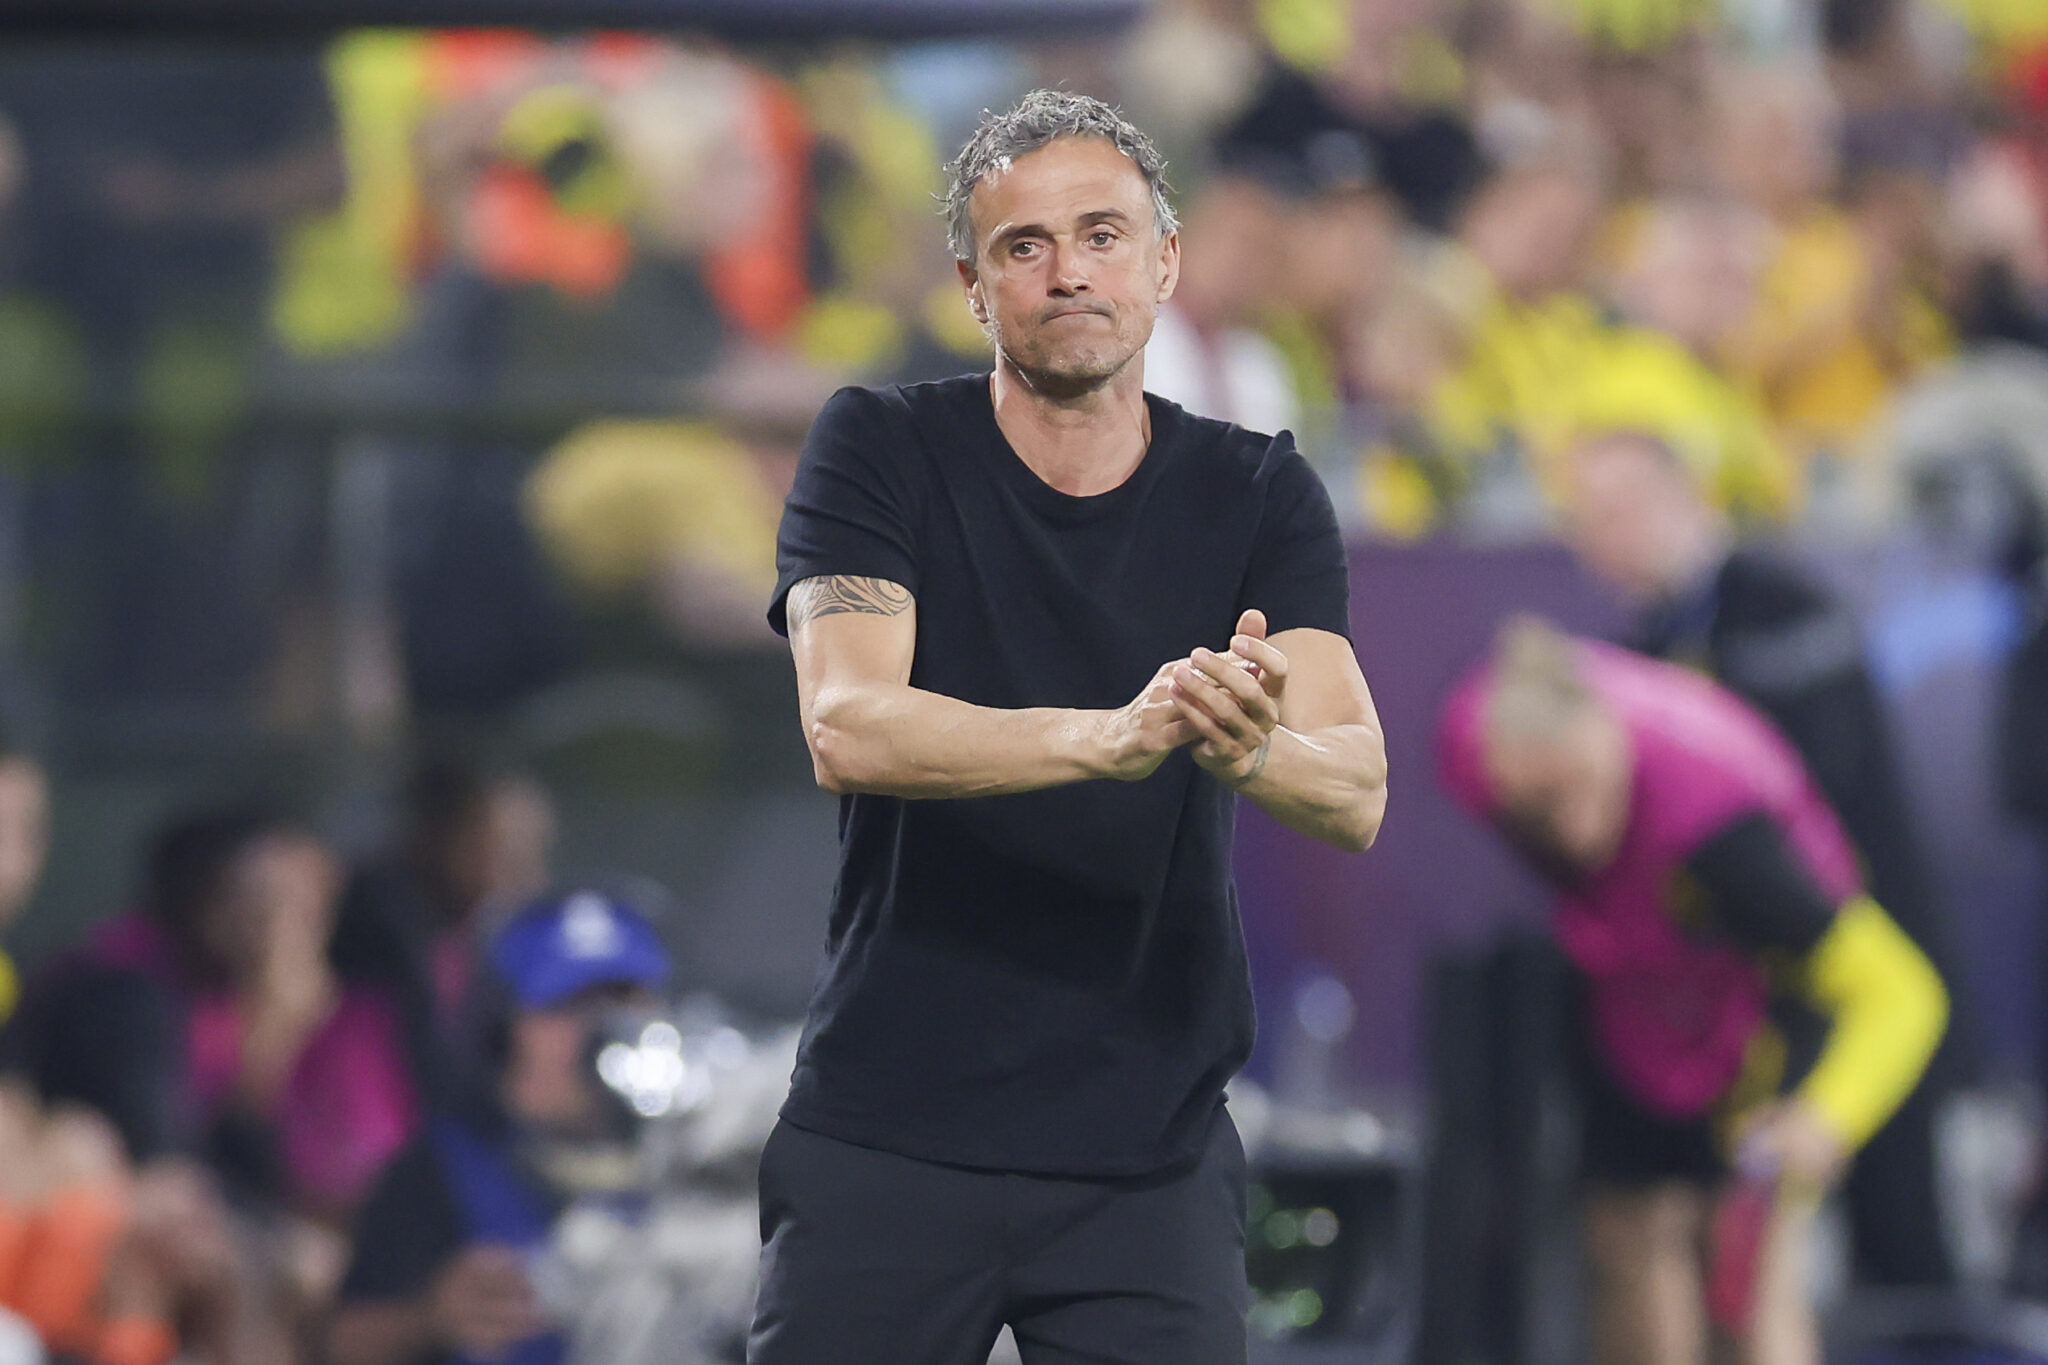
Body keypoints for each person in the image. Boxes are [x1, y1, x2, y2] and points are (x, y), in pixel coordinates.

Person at [753, 90, 1388, 1365]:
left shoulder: (1254, 486)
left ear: (1164, 264)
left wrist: (1242, 743)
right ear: (971, 289)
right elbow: (847, 724)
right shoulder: (876, 446)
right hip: (889, 1132)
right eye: (1022, 247)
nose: (1065, 275)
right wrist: (1111, 736)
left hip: (1144, 1160)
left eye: (1101, 236)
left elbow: (1356, 788)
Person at [1438, 619, 1947, 1365]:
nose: (1577, 832)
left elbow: (1904, 992)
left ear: (1613, 743)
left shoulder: (1727, 835)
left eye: (1587, 792)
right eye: (1542, 811)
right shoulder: (1479, 743)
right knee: (1631, 1244)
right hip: (1633, 997)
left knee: (1751, 1270)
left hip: (1762, 1019)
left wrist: (1825, 1120)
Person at [1561, 426, 1963, 1289]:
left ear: (1687, 498)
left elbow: (1794, 791)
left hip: (1850, 945)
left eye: (1623, 510)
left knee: (1897, 1236)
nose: (1608, 536)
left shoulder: (1785, 607)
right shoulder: (1638, 650)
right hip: (1738, 993)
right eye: (1589, 518)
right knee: (1748, 1250)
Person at [5, 807, 415, 1220]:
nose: (299, 929)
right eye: (273, 900)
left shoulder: (261, 1009)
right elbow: (172, 1167)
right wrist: (271, 1041)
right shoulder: (122, 995)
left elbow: (350, 1170)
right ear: (203, 901)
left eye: (315, 906)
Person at [324, 889, 674, 1365]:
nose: (604, 1027)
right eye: (569, 1004)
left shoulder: (698, 1160)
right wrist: (430, 1317)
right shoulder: (440, 1168)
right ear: (505, 1029)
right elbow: (339, 1343)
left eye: (624, 998)